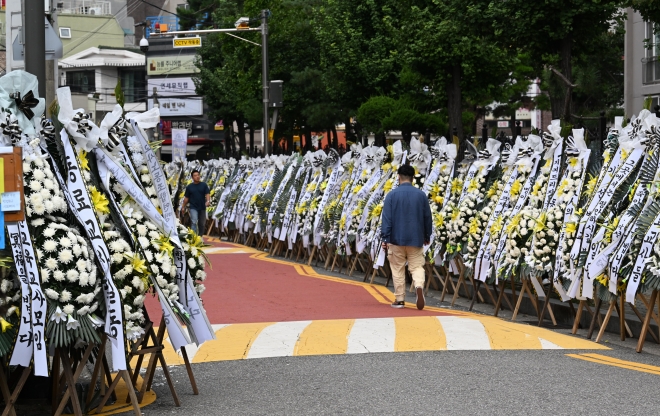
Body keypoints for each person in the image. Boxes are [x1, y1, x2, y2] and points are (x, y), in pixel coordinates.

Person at [381, 164, 432, 310]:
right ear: (412, 178)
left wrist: (385, 238)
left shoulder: (392, 195)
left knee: (397, 268)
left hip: (396, 238)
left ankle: (400, 299)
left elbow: (387, 219)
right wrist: (427, 235)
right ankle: (419, 286)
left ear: (398, 177)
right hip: (416, 238)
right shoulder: (421, 195)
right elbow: (427, 217)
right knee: (416, 266)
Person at [181, 170, 210, 236]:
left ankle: (200, 236)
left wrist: (208, 201)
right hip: (193, 207)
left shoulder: (204, 185)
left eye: (198, 175)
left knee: (202, 223)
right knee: (194, 221)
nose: (197, 177)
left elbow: (207, 194)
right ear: (192, 177)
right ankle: (193, 237)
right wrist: (183, 207)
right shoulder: (189, 187)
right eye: (195, 175)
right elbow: (186, 198)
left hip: (202, 207)